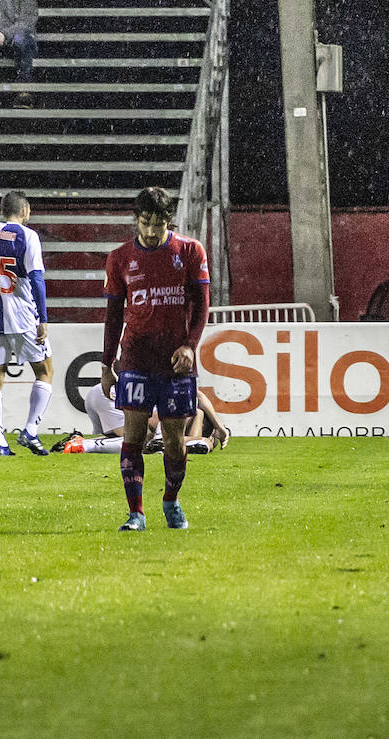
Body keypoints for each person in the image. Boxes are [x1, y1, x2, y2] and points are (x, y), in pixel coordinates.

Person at [100, 187, 210, 531]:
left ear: (169, 221)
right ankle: (136, 514)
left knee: (174, 441)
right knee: (133, 438)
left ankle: (171, 501)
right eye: (145, 223)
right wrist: (107, 364)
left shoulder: (190, 251)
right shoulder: (119, 258)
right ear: (137, 220)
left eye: (157, 224)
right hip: (135, 359)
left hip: (175, 364)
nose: (150, 231)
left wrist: (190, 346)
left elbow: (203, 305)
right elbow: (114, 314)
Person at [0, 191, 52, 456]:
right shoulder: (27, 236)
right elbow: (37, 280)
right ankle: (30, 431)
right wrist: (42, 318)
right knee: (44, 371)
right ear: (25, 210)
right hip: (22, 317)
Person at [53, 383, 230, 455]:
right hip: (113, 392)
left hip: (107, 390)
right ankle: (84, 445)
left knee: (138, 437)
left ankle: (80, 442)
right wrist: (216, 428)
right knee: (140, 439)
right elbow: (199, 397)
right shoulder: (186, 408)